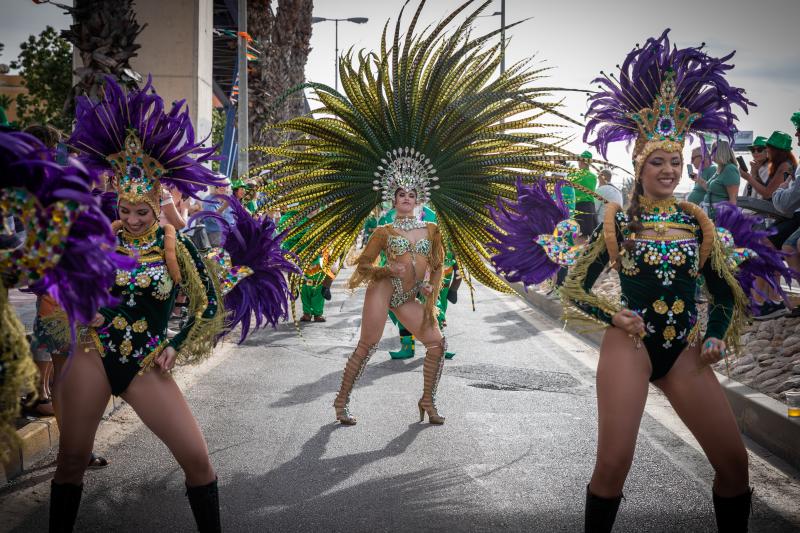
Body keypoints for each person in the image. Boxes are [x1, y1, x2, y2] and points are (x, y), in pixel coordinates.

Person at [253, 2, 574, 426]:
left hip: (414, 296)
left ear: (420, 196)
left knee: (437, 343)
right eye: (399, 193)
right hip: (387, 291)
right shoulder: (384, 229)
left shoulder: (433, 228)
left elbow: (439, 264)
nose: (405, 199)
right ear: (391, 196)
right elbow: (362, 266)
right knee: (366, 344)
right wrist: (386, 274)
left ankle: (428, 402)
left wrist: (429, 288)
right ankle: (341, 402)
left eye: (411, 194)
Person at [575, 31, 757, 532]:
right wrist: (613, 314)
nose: (670, 170)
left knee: (734, 466)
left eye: (676, 161)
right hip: (629, 347)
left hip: (684, 350)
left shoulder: (697, 220)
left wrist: (717, 334)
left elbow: (722, 292)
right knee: (613, 467)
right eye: (658, 161)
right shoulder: (616, 220)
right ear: (639, 164)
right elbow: (574, 287)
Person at [54, 77, 231, 533]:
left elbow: (207, 304)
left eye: (141, 211)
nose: (131, 219)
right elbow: (67, 283)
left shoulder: (178, 246)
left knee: (196, 458)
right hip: (93, 353)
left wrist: (176, 342)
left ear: (157, 204)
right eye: (125, 208)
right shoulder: (101, 238)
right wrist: (83, 308)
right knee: (72, 458)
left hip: (143, 361)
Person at [704, 140, 741, 219]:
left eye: (712, 151)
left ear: (720, 152)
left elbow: (733, 200)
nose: (710, 154)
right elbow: (707, 186)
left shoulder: (730, 169)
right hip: (711, 213)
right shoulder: (720, 169)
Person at [573, 151, 599, 234]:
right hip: (591, 207)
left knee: (580, 237)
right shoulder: (594, 177)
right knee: (590, 236)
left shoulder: (575, 175)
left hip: (579, 207)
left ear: (582, 161)